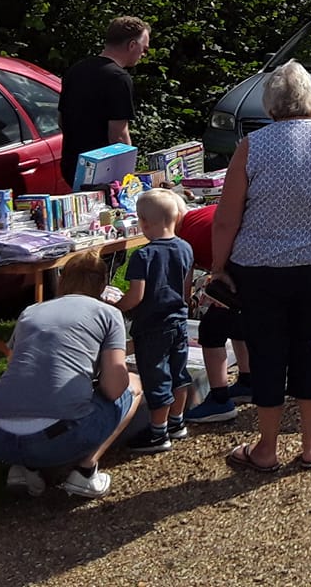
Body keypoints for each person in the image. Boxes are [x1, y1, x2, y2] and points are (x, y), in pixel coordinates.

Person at [210, 61, 311, 472]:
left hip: (260, 267)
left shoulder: (253, 146)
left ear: (271, 103)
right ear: (310, 98)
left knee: (267, 352)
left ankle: (266, 447)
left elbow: (226, 218)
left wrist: (218, 266)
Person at [0, 250, 142, 498]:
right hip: (55, 439)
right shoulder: (108, 314)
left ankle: (25, 468)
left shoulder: (31, 312)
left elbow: (16, 363)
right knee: (133, 384)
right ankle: (85, 472)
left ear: (63, 280)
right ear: (102, 284)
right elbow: (114, 386)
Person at [116, 188, 194, 454]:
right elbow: (185, 288)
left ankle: (158, 433)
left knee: (156, 376)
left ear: (144, 222)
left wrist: (116, 307)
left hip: (152, 325)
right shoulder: (185, 248)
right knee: (178, 372)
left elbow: (136, 296)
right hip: (178, 320)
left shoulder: (143, 255)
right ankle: (177, 422)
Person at [176, 204, 254, 424]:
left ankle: (219, 400)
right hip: (253, 262)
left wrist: (186, 303)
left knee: (211, 332)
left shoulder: (181, 237)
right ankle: (248, 382)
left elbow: (184, 281)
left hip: (234, 269)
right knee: (238, 323)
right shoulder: (202, 213)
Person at [57, 16, 151, 186]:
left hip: (71, 166)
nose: (143, 55)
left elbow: (62, 120)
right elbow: (119, 136)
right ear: (132, 45)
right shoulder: (118, 78)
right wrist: (129, 178)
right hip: (102, 172)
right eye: (144, 49)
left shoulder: (75, 70)